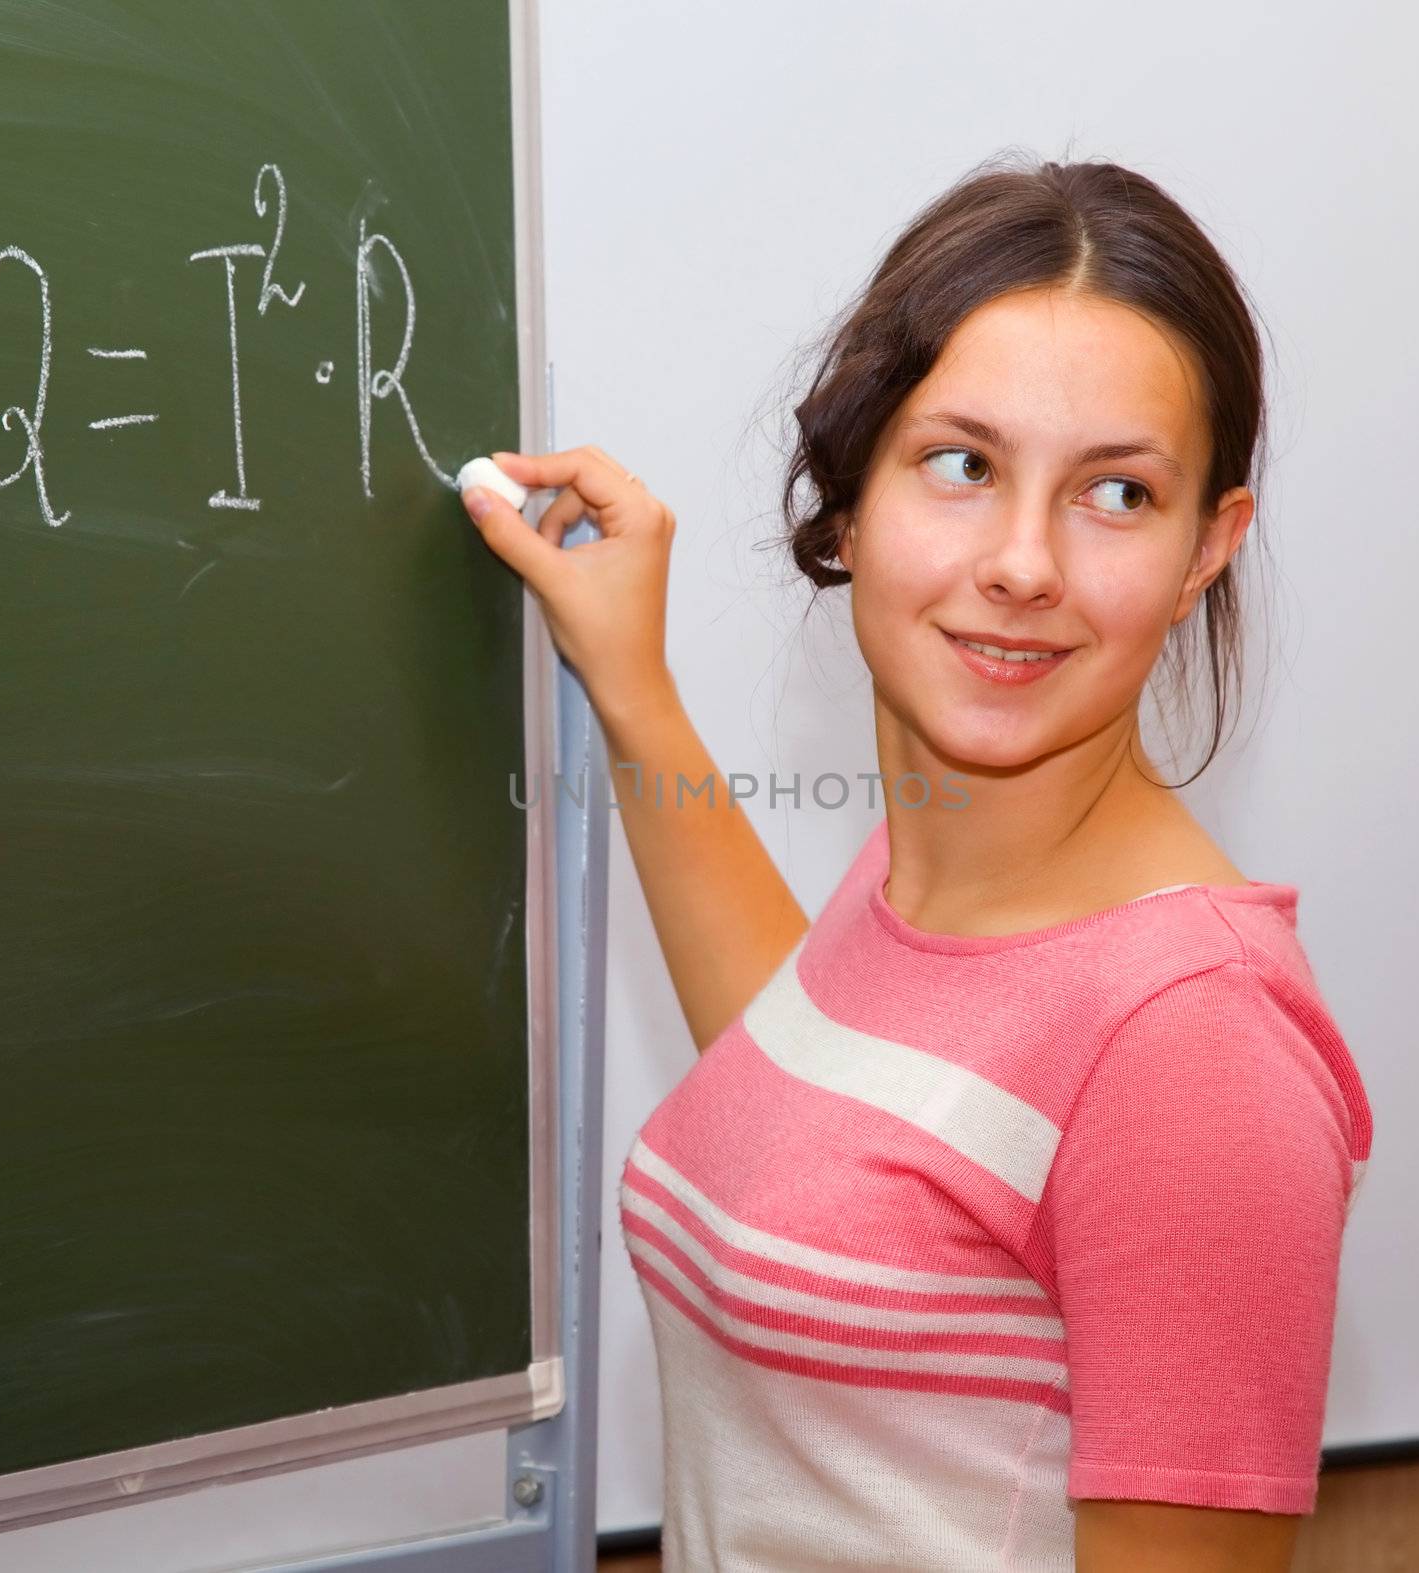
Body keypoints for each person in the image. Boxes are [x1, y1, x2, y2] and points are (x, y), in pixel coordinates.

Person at [460, 152, 1373, 1573]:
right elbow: (811, 1102)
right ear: (850, 489)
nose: (1023, 561)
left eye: (1118, 494)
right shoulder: (925, 877)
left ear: (1211, 546)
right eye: (963, 465)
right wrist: (630, 680)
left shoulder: (1192, 1046)